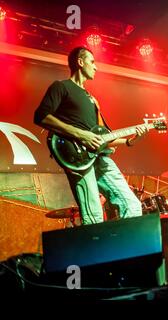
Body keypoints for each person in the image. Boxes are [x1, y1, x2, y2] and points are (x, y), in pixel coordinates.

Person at [34, 46, 148, 225]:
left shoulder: (92, 99)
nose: (96, 67)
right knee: (93, 216)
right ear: (80, 62)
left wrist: (130, 141)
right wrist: (81, 135)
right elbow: (41, 116)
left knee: (132, 204)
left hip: (100, 157)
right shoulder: (61, 87)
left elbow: (103, 138)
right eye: (92, 62)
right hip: (77, 158)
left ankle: (124, 251)